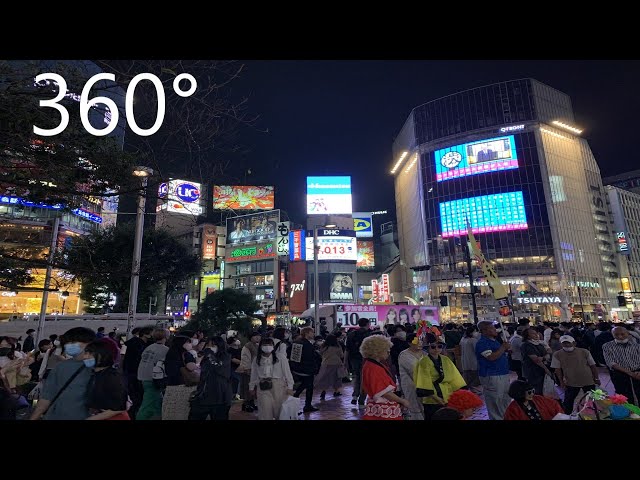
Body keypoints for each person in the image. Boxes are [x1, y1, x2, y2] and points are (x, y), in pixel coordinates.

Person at [29, 327, 96, 420]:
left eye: (73, 342)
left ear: (89, 343)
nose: (69, 345)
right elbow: (46, 397)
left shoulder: (98, 368)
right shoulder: (60, 367)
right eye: (67, 343)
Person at [415, 334, 466, 420]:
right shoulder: (423, 362)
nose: (436, 349)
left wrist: (458, 394)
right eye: (433, 347)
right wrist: (436, 398)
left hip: (447, 395)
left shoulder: (446, 359)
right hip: (432, 398)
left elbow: (454, 376)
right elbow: (423, 381)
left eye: (439, 346)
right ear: (428, 348)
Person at [359, 335, 410, 420]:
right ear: (378, 351)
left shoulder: (370, 364)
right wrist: (402, 401)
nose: (388, 353)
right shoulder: (374, 367)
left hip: (379, 406)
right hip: (383, 408)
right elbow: (384, 392)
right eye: (387, 351)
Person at [550, 335, 600, 414]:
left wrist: (596, 378)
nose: (567, 345)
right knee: (568, 401)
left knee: (592, 399)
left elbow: (593, 366)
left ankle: (595, 414)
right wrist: (561, 382)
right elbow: (557, 369)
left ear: (574, 343)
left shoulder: (584, 351)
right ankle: (567, 415)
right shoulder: (557, 354)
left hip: (588, 380)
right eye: (564, 343)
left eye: (569, 343)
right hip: (571, 381)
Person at [249, 337, 294, 420]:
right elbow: (254, 374)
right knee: (264, 410)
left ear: (273, 346)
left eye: (270, 344)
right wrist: (251, 387)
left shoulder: (280, 358)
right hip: (263, 386)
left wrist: (290, 387)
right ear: (261, 346)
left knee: (279, 411)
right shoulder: (257, 359)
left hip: (278, 385)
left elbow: (287, 373)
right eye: (265, 345)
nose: (267, 346)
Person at [189, 336, 233, 420]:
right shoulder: (205, 358)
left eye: (213, 345)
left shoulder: (226, 357)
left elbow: (218, 366)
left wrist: (209, 354)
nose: (209, 348)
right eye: (208, 345)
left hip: (220, 396)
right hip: (204, 395)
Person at [83, 340, 129, 420]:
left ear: (102, 356)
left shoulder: (112, 376)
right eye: (85, 353)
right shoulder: (96, 374)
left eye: (90, 354)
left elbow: (120, 407)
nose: (85, 357)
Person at [475, 320, 512, 420]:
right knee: (495, 402)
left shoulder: (494, 341)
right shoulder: (482, 343)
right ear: (484, 330)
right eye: (491, 328)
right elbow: (491, 357)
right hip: (491, 375)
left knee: (505, 400)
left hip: (502, 373)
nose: (495, 330)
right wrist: (503, 348)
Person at [162, 335, 199, 420]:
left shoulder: (170, 353)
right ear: (182, 343)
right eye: (188, 342)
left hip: (171, 385)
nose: (190, 344)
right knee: (182, 411)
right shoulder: (185, 354)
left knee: (170, 411)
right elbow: (191, 367)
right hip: (183, 385)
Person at [136, 328, 169, 420]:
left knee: (158, 402)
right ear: (166, 337)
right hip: (154, 378)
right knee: (148, 404)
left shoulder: (149, 347)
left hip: (142, 376)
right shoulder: (165, 350)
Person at [602, 326, 640, 405]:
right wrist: (630, 373)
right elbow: (611, 363)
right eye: (616, 335)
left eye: (622, 334)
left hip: (637, 372)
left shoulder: (636, 345)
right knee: (624, 395)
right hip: (620, 373)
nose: (620, 337)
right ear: (612, 335)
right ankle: (630, 413)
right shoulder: (607, 346)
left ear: (628, 333)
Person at [122, 326, 153, 420]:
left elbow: (123, 357)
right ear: (145, 334)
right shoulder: (141, 345)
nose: (152, 335)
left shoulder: (130, 343)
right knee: (137, 396)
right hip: (137, 373)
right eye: (151, 333)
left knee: (132, 396)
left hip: (129, 372)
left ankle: (131, 414)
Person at [290, 326, 319, 413]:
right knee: (308, 386)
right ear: (307, 333)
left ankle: (303, 402)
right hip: (306, 369)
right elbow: (311, 357)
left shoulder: (297, 342)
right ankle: (306, 404)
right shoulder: (307, 345)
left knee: (305, 384)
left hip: (297, 368)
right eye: (312, 332)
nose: (313, 334)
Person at [397, 333, 425, 420]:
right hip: (411, 386)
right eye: (416, 341)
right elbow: (413, 370)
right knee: (415, 410)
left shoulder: (425, 353)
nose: (419, 343)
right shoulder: (404, 355)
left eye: (421, 340)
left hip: (425, 386)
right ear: (409, 343)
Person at [345, 318, 371, 407]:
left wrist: (345, 362)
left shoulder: (351, 334)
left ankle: (355, 396)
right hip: (365, 359)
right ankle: (361, 400)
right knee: (365, 379)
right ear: (367, 324)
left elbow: (347, 349)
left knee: (357, 378)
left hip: (353, 359)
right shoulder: (368, 335)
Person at [520, 328, 553, 395]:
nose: (536, 335)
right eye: (533, 333)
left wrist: (544, 357)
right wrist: (546, 369)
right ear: (528, 336)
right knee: (536, 390)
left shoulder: (539, 344)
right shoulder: (527, 345)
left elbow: (549, 352)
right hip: (533, 372)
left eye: (536, 333)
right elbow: (537, 360)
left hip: (542, 371)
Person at [314, 334, 344, 400]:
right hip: (336, 363)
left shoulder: (323, 346)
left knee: (325, 378)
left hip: (325, 364)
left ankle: (323, 391)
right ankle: (336, 391)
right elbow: (341, 355)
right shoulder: (337, 346)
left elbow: (320, 353)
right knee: (337, 378)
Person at [237, 332, 261, 412]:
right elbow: (245, 358)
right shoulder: (247, 346)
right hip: (248, 370)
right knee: (247, 388)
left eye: (258, 336)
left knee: (253, 387)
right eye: (255, 336)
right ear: (251, 337)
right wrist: (247, 369)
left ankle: (251, 403)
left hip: (255, 370)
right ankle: (246, 404)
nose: (257, 338)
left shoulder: (257, 346)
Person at [459, 326, 480, 391]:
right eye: (475, 331)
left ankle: (468, 388)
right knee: (474, 375)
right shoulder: (473, 340)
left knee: (466, 375)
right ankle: (472, 388)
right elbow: (477, 350)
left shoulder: (463, 339)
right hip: (473, 360)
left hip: (465, 359)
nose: (477, 333)